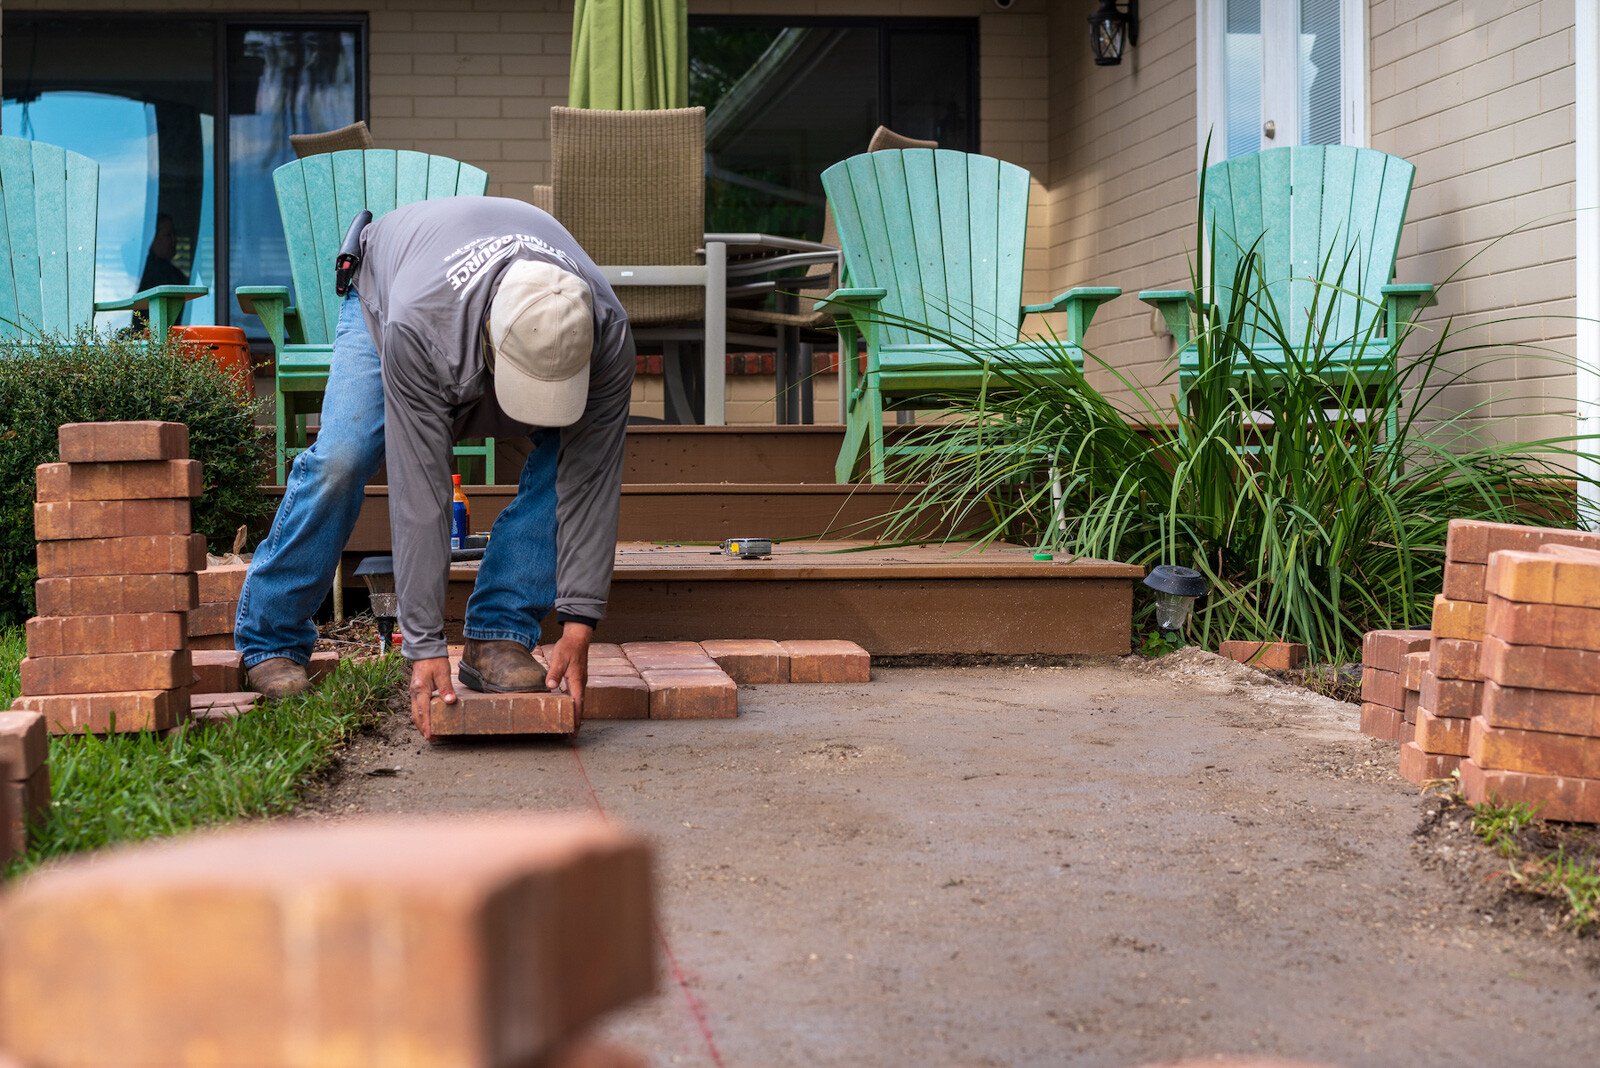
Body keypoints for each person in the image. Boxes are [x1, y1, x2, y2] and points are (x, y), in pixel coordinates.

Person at [234, 196, 635, 722]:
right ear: (491, 345)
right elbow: (421, 492)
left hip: (476, 305)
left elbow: (590, 482)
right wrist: (423, 643)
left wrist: (580, 619)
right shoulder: (418, 328)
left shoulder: (607, 334)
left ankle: (499, 632)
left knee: (566, 463)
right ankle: (272, 637)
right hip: (390, 293)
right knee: (343, 458)